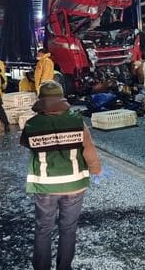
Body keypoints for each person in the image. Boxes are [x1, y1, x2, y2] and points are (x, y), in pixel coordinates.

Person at [20, 80, 102, 270]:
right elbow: (88, 150)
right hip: (74, 185)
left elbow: (26, 143)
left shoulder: (32, 125)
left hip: (46, 185)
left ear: (41, 101)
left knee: (43, 229)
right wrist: (96, 169)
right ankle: (64, 267)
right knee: (68, 228)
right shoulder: (77, 121)